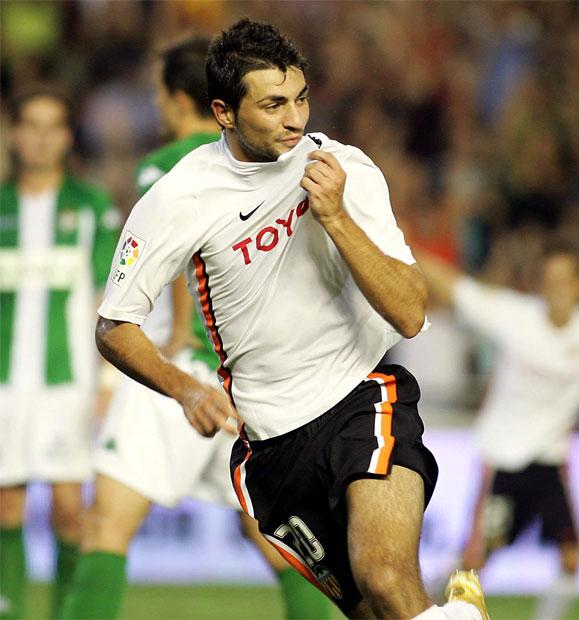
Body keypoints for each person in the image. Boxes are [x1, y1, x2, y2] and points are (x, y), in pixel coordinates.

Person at [92, 18, 489, 620]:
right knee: (381, 614)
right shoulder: (182, 197)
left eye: (300, 98)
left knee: (385, 577)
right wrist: (186, 390)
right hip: (271, 446)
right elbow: (114, 325)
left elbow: (410, 312)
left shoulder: (343, 169)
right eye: (274, 104)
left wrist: (335, 218)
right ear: (224, 112)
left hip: (360, 398)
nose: (296, 119)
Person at [59, 37, 330, 620]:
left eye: (159, 93)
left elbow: (187, 258)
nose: (155, 105)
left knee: (105, 525)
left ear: (182, 98)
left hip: (184, 373)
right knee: (281, 545)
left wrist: (180, 336)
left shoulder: (168, 166)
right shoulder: (267, 163)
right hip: (247, 380)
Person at [419, 239, 579, 620]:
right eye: (549, 281)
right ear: (540, 286)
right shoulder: (515, 318)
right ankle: (428, 601)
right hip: (503, 459)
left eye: (564, 281)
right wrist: (400, 241)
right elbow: (455, 286)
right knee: (476, 561)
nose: (556, 289)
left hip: (550, 463)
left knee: (572, 556)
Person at [0, 89, 119, 619]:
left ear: (67, 137)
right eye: (31, 124)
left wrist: (108, 383)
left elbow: (108, 301)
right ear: (15, 135)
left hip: (68, 382)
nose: (42, 137)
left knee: (70, 511)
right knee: (6, 507)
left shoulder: (92, 208)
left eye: (53, 126)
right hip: (4, 383)